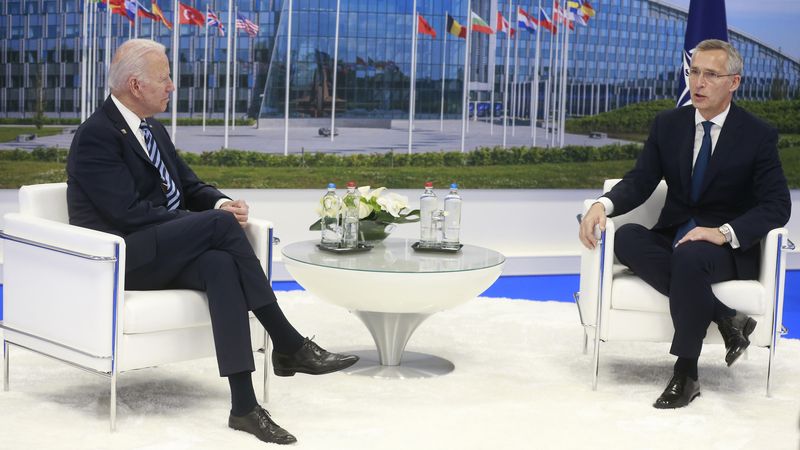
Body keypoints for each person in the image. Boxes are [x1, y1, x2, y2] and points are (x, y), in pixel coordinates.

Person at [66, 39, 359, 444]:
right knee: (219, 228)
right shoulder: (96, 136)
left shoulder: (153, 129)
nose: (172, 86)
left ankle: (244, 408)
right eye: (165, 79)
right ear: (136, 85)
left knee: (220, 264)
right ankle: (288, 342)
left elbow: (188, 186)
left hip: (161, 248)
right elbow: (127, 214)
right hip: (122, 258)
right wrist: (203, 223)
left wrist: (221, 203)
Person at [578, 39, 790, 409]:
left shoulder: (757, 135)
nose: (699, 82)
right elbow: (641, 181)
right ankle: (726, 317)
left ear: (734, 82)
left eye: (711, 75)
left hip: (723, 248)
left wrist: (722, 233)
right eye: (694, 72)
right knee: (626, 237)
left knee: (690, 257)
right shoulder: (669, 125)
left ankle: (686, 372)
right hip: (673, 235)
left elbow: (777, 205)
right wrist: (602, 204)